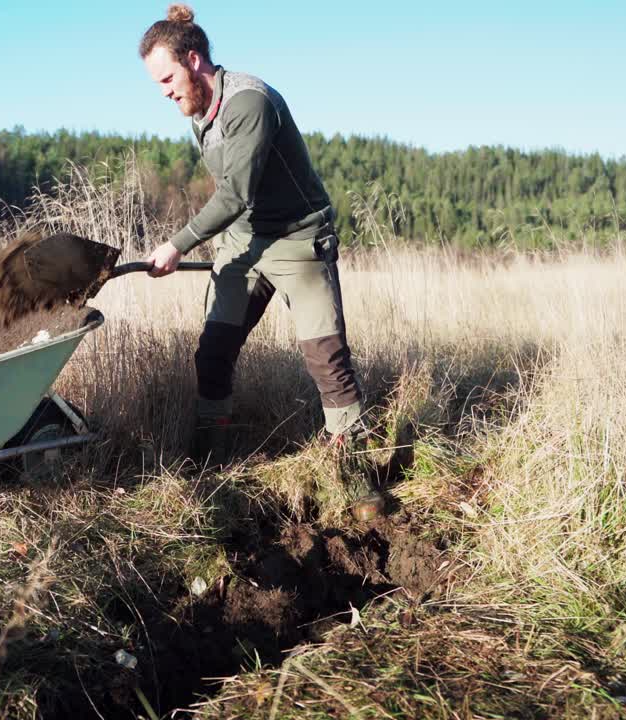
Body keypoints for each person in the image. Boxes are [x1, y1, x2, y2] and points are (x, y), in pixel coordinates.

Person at [139, 4, 382, 521]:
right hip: (244, 244)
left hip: (298, 240)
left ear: (194, 59)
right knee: (213, 352)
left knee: (327, 360)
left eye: (166, 78)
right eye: (157, 83)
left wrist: (178, 243)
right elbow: (237, 207)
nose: (163, 91)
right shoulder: (198, 110)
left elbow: (236, 193)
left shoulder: (249, 101)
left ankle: (358, 479)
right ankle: (211, 462)